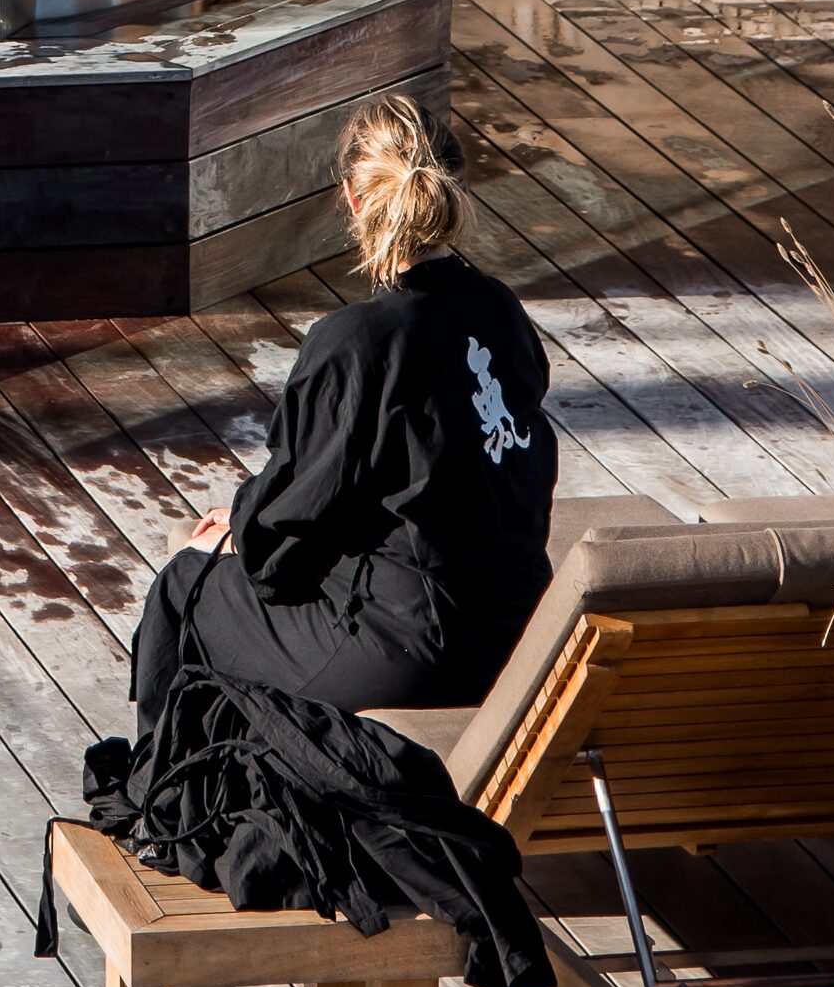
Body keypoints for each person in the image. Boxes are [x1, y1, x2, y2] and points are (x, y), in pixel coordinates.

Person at [136, 95, 556, 717]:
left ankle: (165, 807)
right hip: (522, 628)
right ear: (453, 192)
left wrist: (239, 530)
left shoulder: (356, 342)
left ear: (354, 200)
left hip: (416, 650)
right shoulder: (499, 309)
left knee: (183, 588)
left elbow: (287, 533)